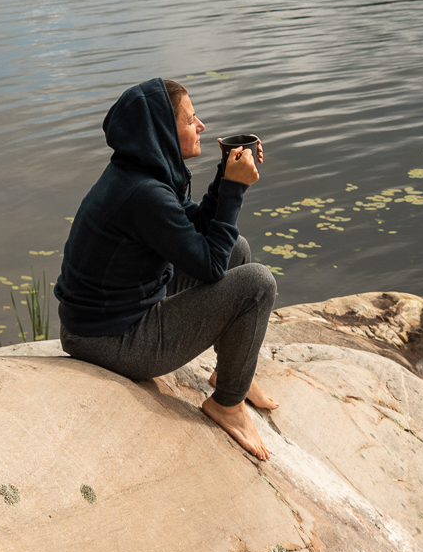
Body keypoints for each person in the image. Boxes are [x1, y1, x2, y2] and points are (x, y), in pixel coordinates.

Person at [55, 77, 280, 459]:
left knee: (236, 250)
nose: (202, 126)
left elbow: (198, 233)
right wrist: (234, 190)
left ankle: (232, 373)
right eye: (191, 119)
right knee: (257, 283)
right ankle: (227, 404)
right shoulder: (144, 194)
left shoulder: (140, 174)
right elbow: (209, 267)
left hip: (112, 316)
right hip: (111, 338)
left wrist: (225, 179)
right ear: (161, 128)